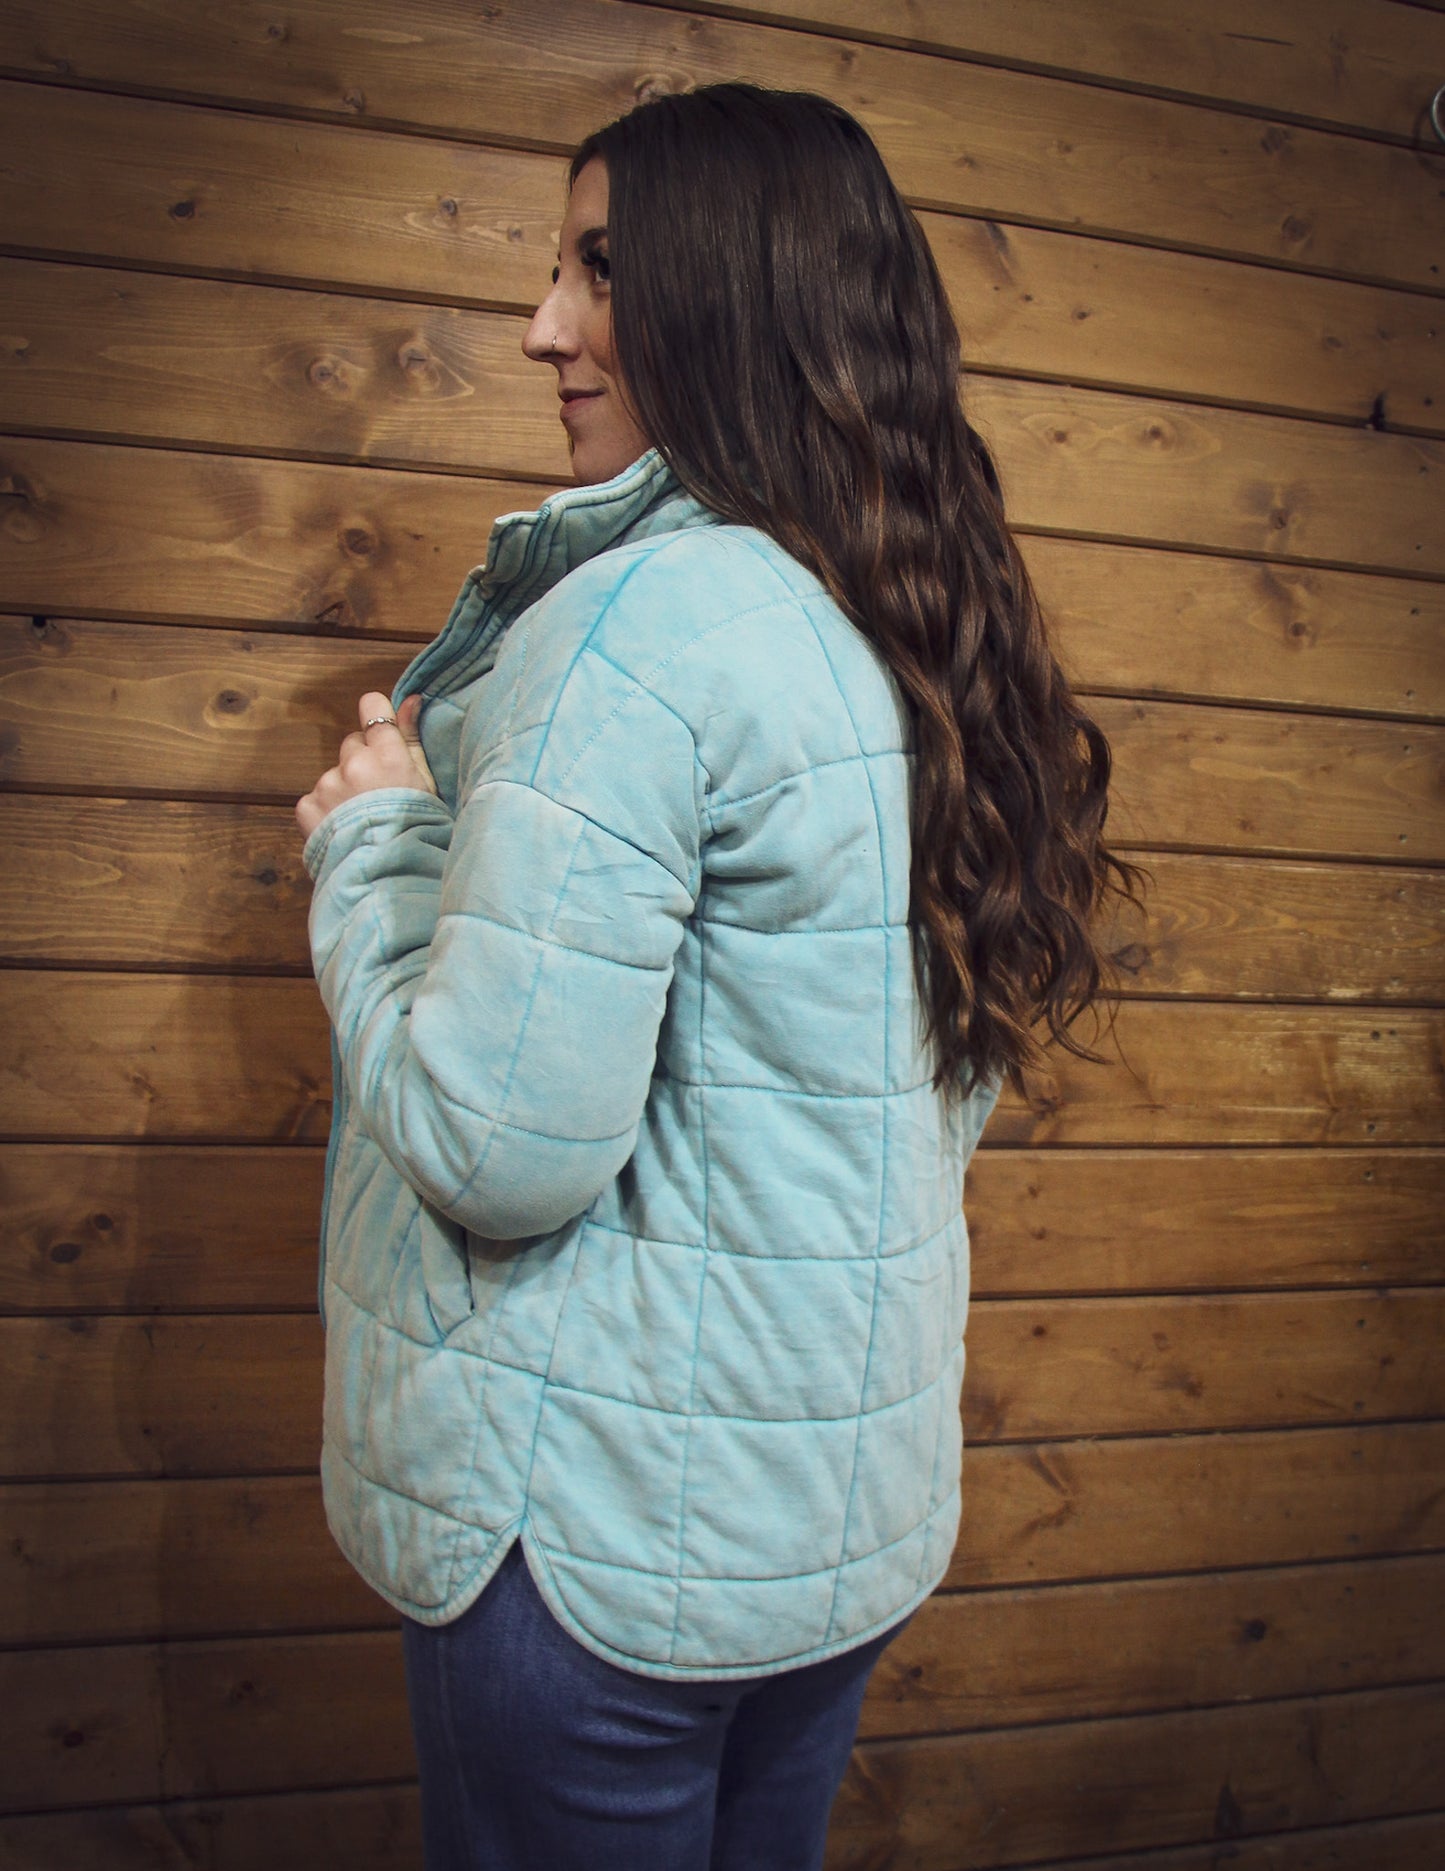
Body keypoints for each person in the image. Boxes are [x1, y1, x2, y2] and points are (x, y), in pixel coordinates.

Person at [295, 82, 1138, 1871]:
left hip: (585, 1552)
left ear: (739, 292)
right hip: (821, 1534)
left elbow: (496, 1148)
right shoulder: (923, 621)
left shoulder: (642, 625)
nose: (545, 326)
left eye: (600, 268)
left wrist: (375, 846)